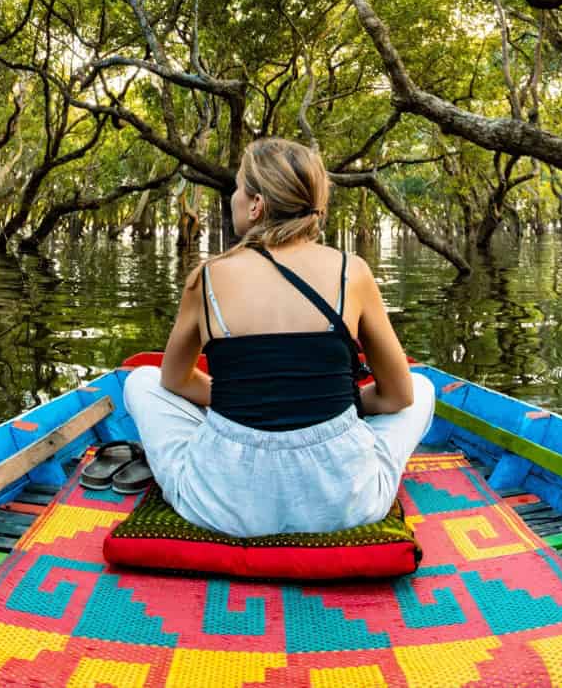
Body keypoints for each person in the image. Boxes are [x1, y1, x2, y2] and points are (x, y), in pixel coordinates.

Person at [123, 137, 437, 538]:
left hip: (222, 505)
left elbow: (174, 381)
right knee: (423, 389)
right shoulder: (351, 271)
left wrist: (250, 396)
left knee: (142, 381)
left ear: (255, 205)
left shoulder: (207, 278)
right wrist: (339, 401)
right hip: (345, 503)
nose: (233, 197)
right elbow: (398, 397)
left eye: (237, 187)